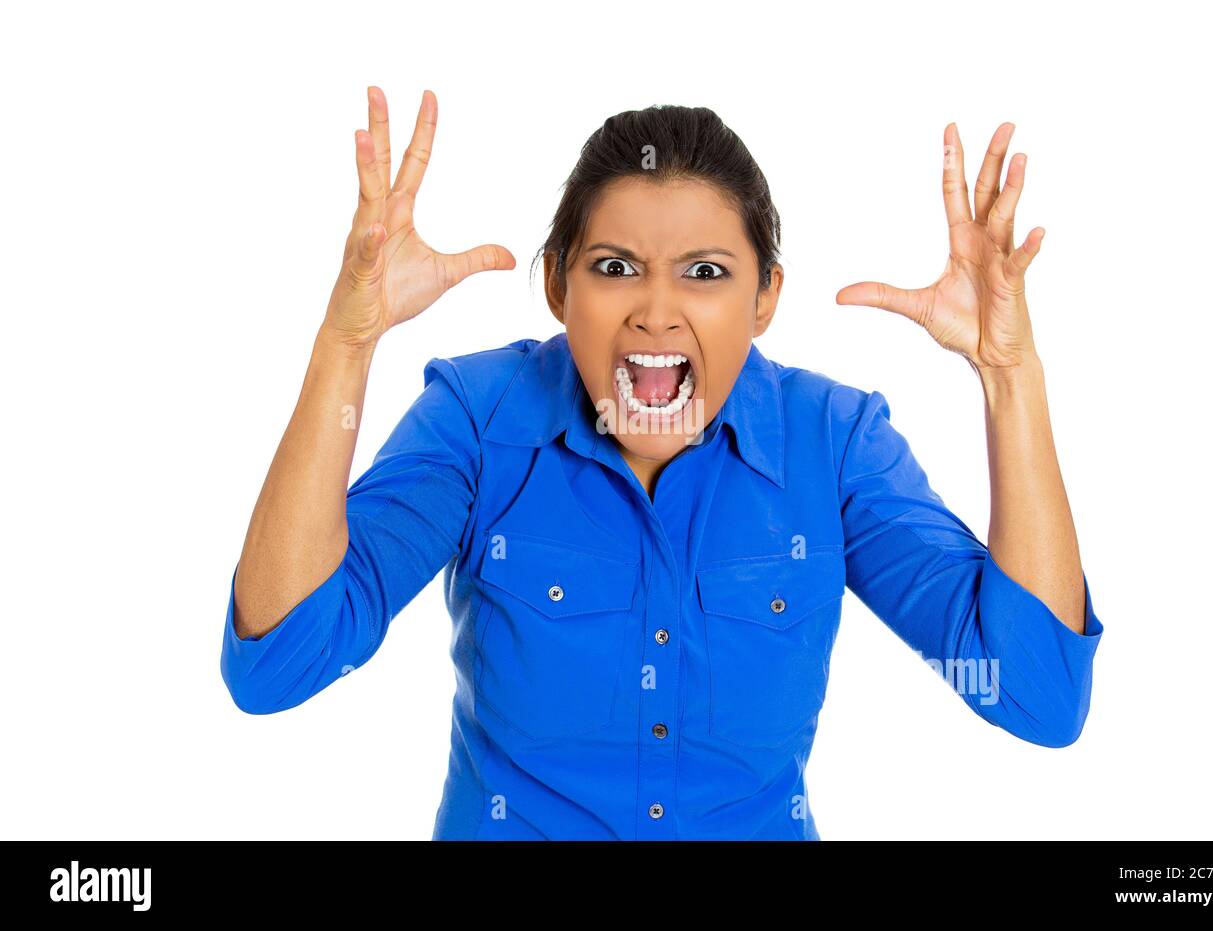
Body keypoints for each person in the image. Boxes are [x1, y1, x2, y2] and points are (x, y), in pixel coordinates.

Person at [220, 87, 1104, 840]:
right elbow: (278, 665)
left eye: (706, 272)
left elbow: (1035, 695)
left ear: (765, 301)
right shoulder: (478, 418)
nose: (656, 311)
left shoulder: (831, 440)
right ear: (560, 287)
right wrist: (348, 343)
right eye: (615, 267)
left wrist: (1009, 373)